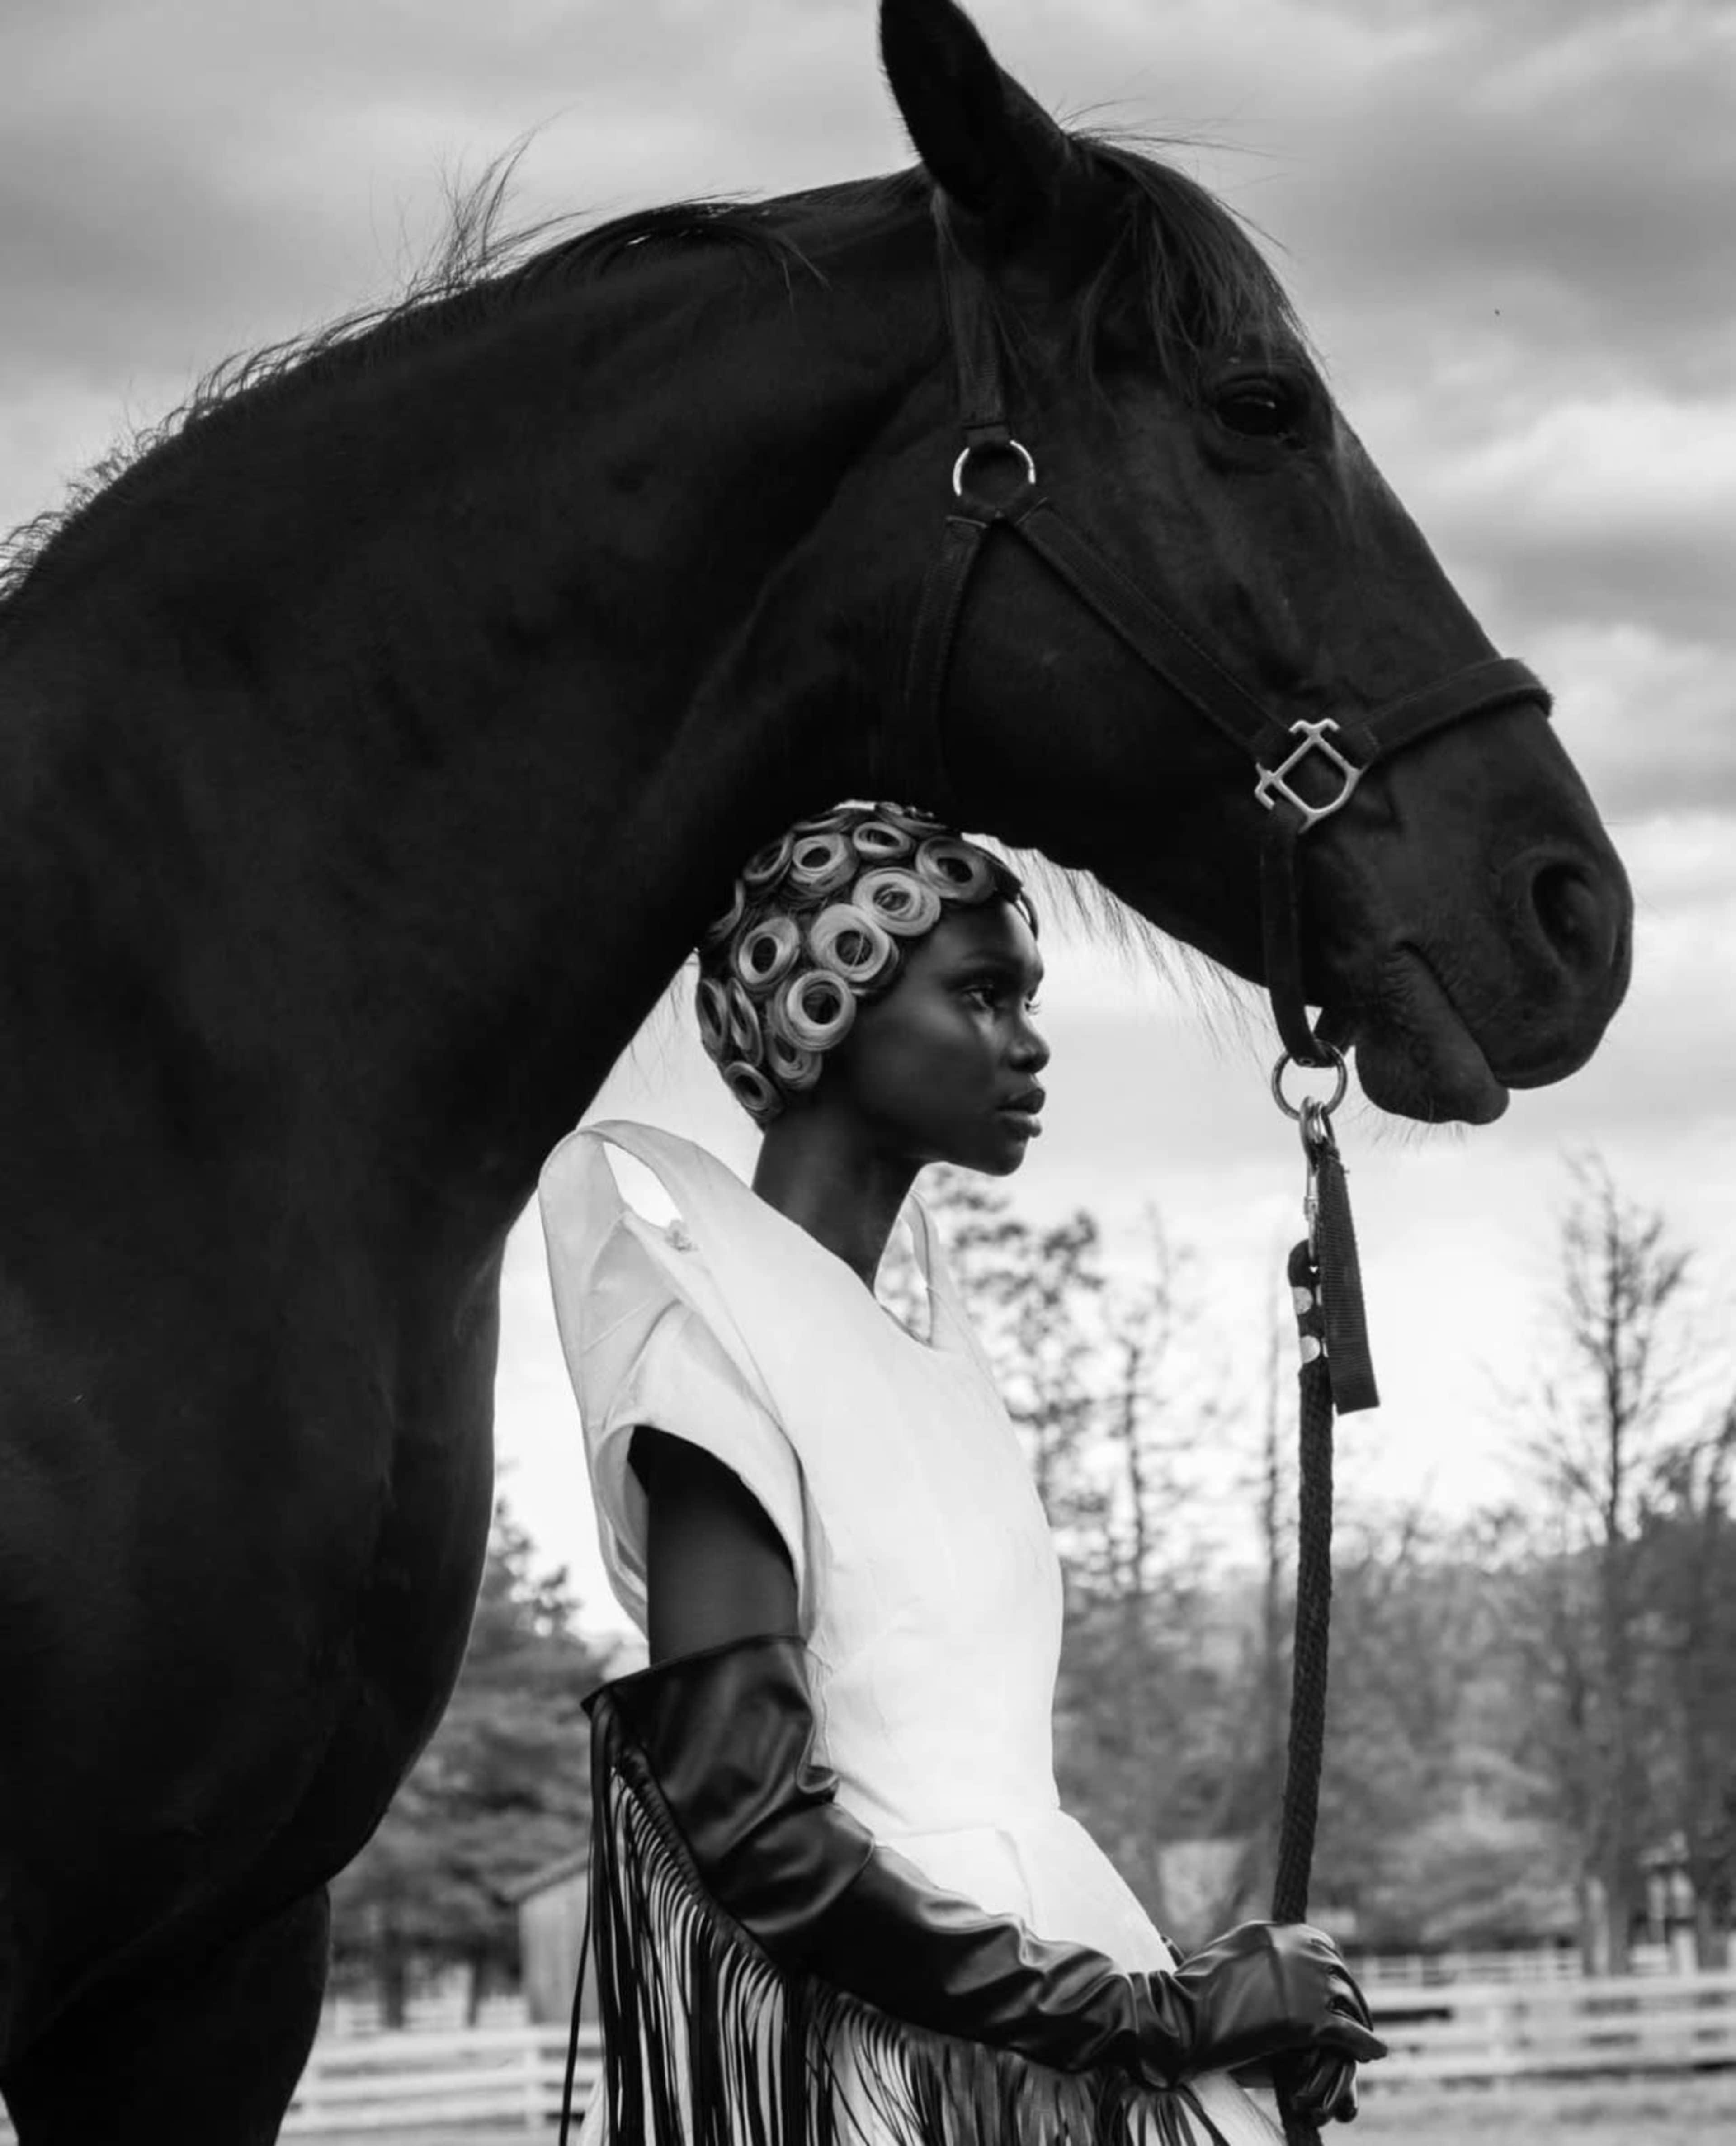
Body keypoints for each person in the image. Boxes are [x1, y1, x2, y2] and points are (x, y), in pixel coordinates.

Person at [539, 800, 1384, 2146]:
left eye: (1026, 996)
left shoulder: (932, 1346)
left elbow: (992, 1813)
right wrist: (1163, 2021)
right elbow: (757, 1842)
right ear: (825, 1010)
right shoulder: (706, 1359)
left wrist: (1231, 2015)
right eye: (983, 994)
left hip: (1035, 2010)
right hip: (890, 2074)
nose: (1032, 1040)